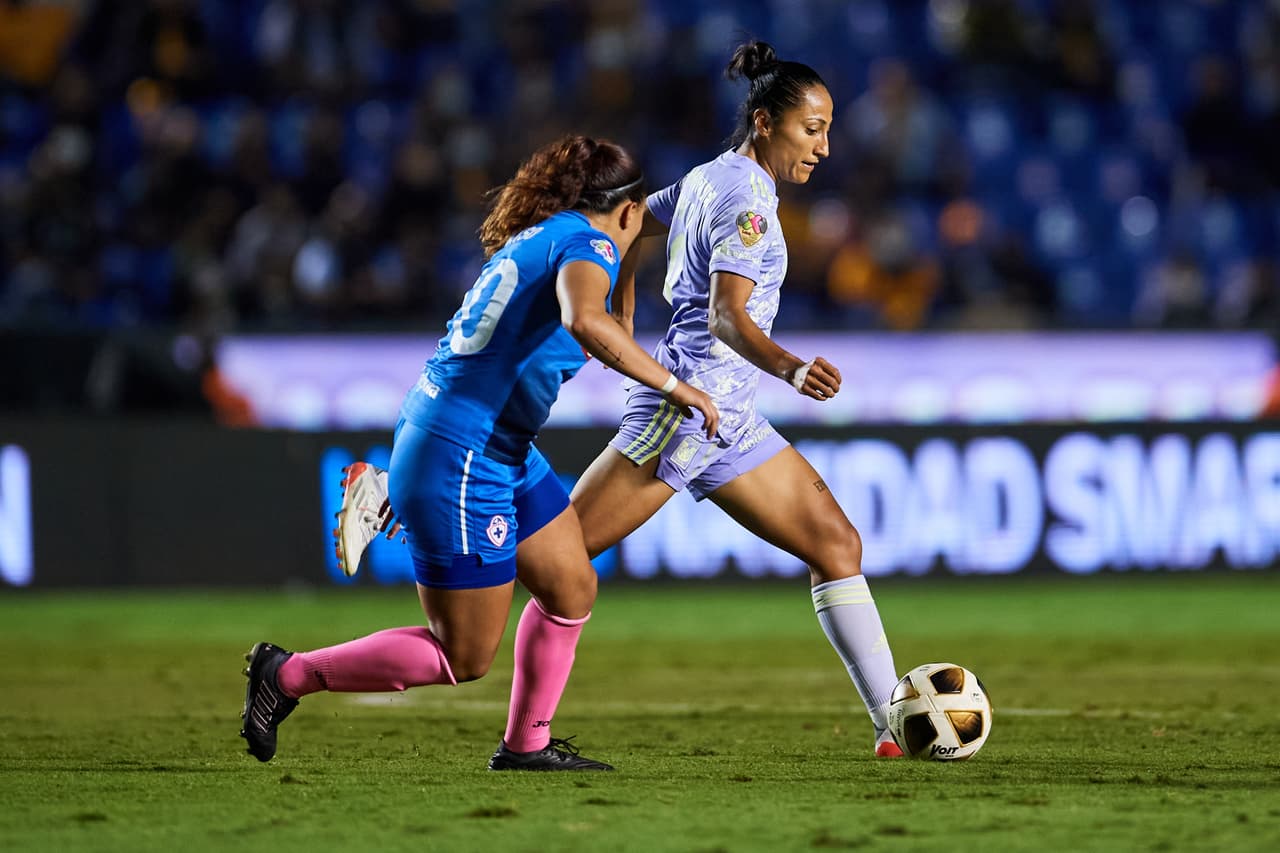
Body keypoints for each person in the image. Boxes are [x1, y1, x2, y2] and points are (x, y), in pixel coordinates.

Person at [337, 40, 904, 758]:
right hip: (685, 416)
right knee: (553, 565)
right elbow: (729, 317)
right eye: (811, 128)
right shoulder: (748, 201)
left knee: (835, 542)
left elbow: (638, 222)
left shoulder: (709, 177)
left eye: (827, 128)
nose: (824, 146)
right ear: (764, 122)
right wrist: (791, 368)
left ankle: (894, 723)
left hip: (728, 417)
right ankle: (395, 499)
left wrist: (628, 297)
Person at [243, 134, 719, 772]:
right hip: (464, 456)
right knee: (462, 657)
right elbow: (586, 322)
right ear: (628, 210)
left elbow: (610, 329)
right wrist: (676, 386)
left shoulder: (552, 236)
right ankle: (288, 674)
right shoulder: (589, 244)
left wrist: (630, 261)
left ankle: (527, 746)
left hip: (490, 447)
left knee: (571, 586)